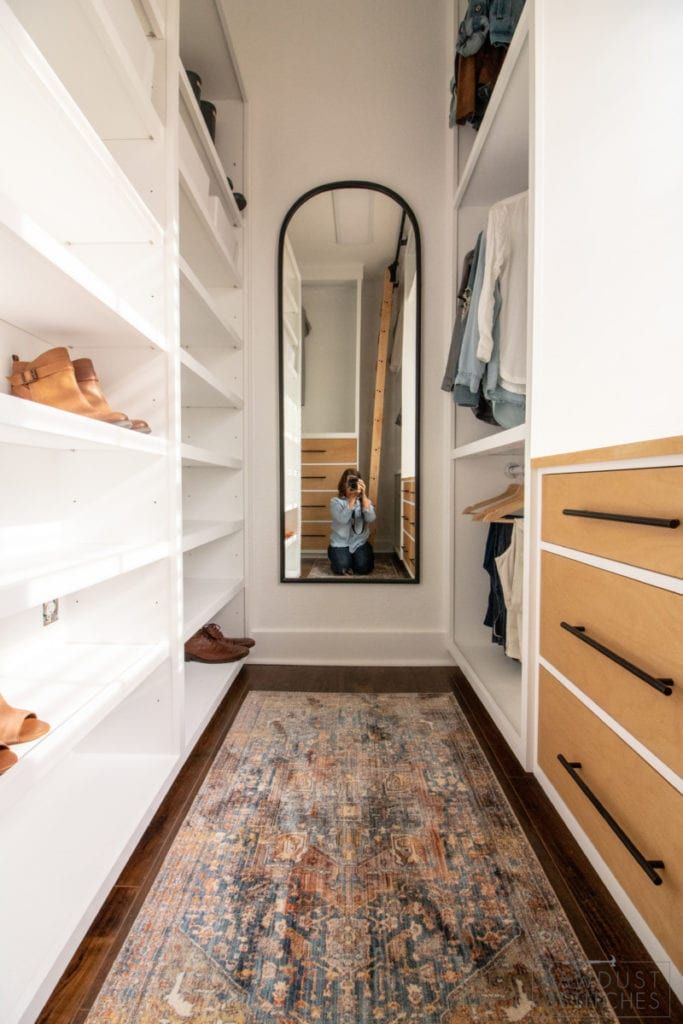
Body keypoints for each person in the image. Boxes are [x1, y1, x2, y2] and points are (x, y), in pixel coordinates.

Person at [328, 468, 376, 576]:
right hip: (340, 543)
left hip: (359, 542)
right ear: (343, 484)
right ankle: (338, 556)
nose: (352, 484)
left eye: (355, 482)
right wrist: (352, 500)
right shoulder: (335, 502)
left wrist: (363, 495)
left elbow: (371, 518)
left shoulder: (364, 502)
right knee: (342, 568)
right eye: (350, 482)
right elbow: (343, 520)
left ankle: (355, 559)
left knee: (363, 568)